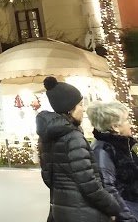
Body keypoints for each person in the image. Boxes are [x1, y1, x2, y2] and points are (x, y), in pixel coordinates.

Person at [36, 76, 129, 222]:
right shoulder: (73, 138)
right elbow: (90, 185)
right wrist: (113, 208)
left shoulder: (47, 138)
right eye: (80, 105)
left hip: (61, 210)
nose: (83, 109)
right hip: (84, 213)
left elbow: (48, 177)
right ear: (69, 109)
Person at [88, 100, 138, 220]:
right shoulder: (103, 149)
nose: (131, 124)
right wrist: (128, 217)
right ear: (115, 127)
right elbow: (108, 188)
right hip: (128, 209)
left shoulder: (122, 144)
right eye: (126, 120)